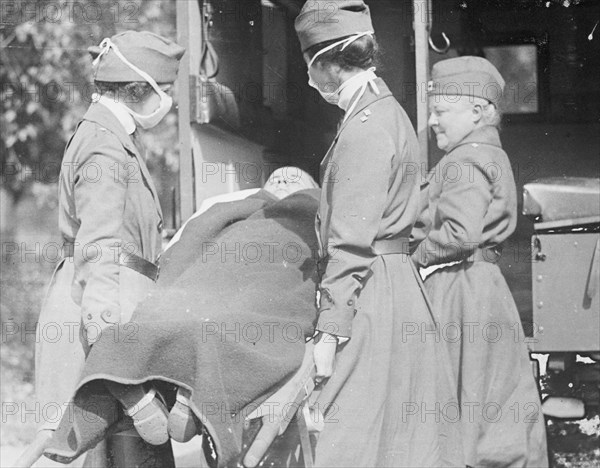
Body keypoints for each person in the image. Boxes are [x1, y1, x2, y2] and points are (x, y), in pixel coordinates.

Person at [42, 180, 322, 468]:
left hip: (242, 275)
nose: (285, 179)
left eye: (292, 177)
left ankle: (153, 388)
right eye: (280, 176)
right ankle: (191, 396)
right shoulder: (255, 207)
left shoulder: (286, 207)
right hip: (236, 277)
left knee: (209, 309)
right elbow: (194, 237)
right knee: (228, 316)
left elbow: (192, 238)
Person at [294, 1, 462, 466]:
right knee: (397, 436)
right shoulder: (385, 112)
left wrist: (329, 333)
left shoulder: (364, 129)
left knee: (349, 434)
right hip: (394, 282)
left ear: (326, 63)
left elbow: (349, 243)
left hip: (369, 290)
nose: (310, 78)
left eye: (309, 64)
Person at [16, 30, 184, 467]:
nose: (167, 101)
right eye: (162, 91)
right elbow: (100, 248)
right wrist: (119, 362)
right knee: (138, 448)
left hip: (111, 315)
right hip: (107, 319)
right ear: (135, 89)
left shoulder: (109, 137)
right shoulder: (106, 148)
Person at [411, 56, 549, 467]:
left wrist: (411, 261)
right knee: (491, 402)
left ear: (477, 111)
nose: (433, 121)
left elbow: (459, 233)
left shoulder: (463, 160)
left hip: (457, 287)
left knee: (460, 399)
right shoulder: (489, 154)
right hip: (480, 285)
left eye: (440, 111)